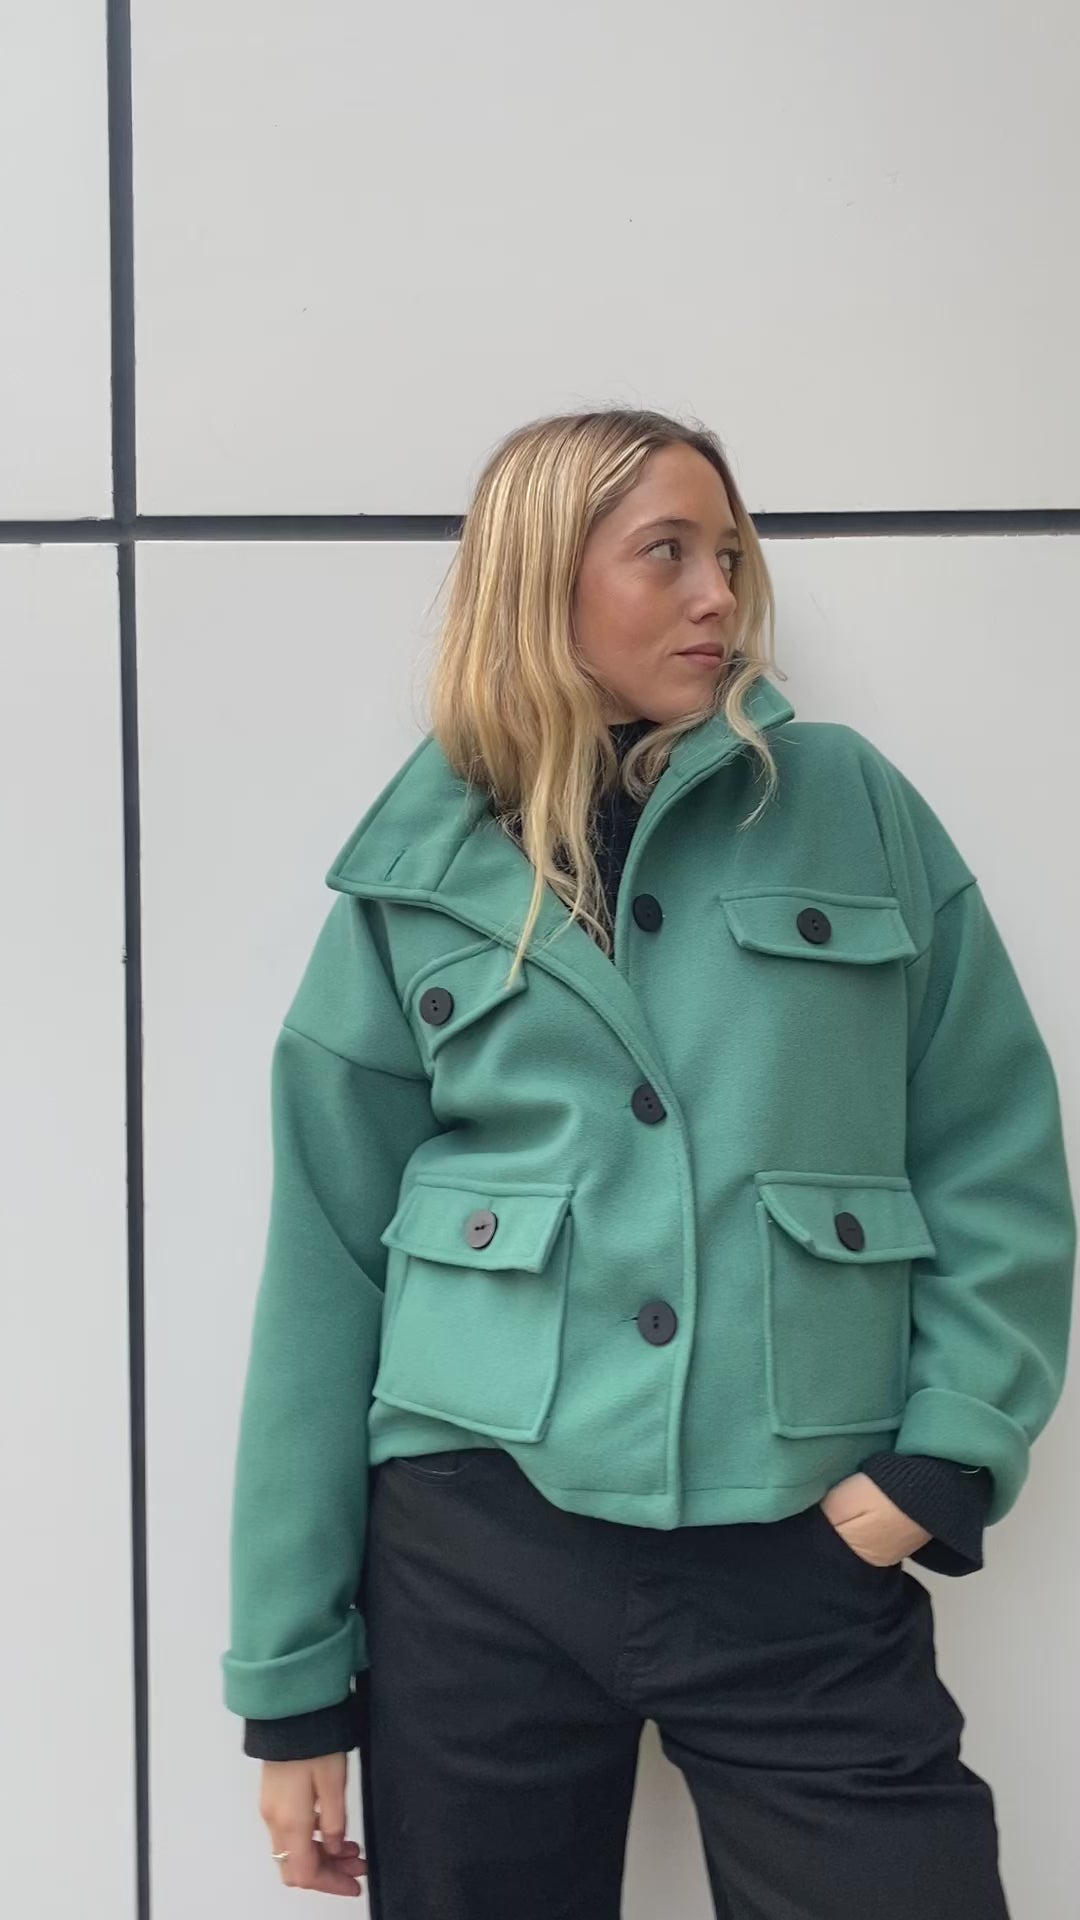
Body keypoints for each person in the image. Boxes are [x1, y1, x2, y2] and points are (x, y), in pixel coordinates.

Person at [221, 408, 1076, 1917]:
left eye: (728, 555)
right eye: (665, 554)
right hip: (475, 1553)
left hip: (802, 1542)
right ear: (543, 579)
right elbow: (323, 1272)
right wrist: (292, 1685)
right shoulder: (414, 868)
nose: (717, 596)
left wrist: (942, 1457)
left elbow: (992, 1147)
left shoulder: (845, 803)